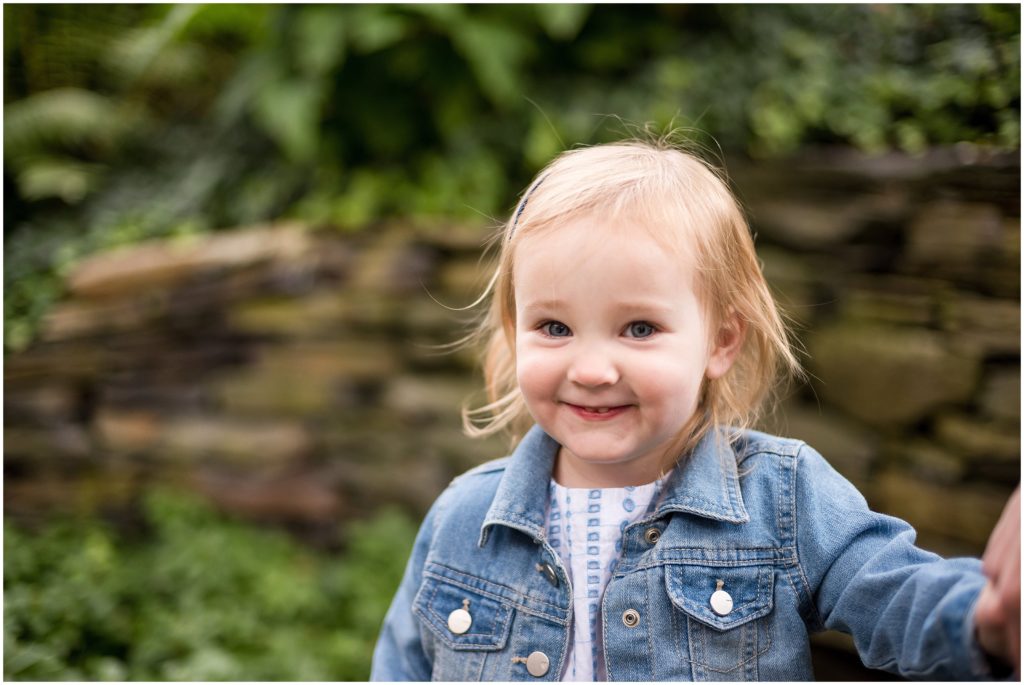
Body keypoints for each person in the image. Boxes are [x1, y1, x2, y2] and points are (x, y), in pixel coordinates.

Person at [371, 139, 1020, 681]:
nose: (592, 369)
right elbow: (401, 667)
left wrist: (984, 618)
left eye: (640, 328)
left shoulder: (782, 498)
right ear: (515, 334)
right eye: (555, 327)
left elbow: (894, 590)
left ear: (720, 340)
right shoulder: (464, 518)